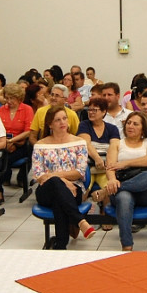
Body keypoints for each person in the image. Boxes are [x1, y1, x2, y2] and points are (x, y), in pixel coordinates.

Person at [91, 112, 147, 251]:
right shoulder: (117, 144)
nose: (130, 126)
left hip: (145, 189)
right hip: (120, 185)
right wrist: (111, 179)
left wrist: (124, 163)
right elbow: (111, 167)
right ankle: (127, 246)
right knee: (124, 197)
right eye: (129, 123)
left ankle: (107, 191)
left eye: (135, 124)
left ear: (143, 128)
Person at [32, 106, 94, 249]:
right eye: (57, 120)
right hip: (46, 189)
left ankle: (61, 244)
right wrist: (64, 181)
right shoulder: (40, 145)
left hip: (74, 189)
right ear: (50, 124)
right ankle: (80, 221)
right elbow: (38, 175)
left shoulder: (79, 142)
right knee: (55, 185)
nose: (62, 122)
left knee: (58, 198)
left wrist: (56, 177)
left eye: (64, 118)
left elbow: (80, 172)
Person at [0, 84, 34, 185]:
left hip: (20, 142)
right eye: (7, 98)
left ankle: (21, 177)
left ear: (19, 98)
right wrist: (6, 142)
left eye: (12, 98)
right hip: (4, 142)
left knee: (28, 148)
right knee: (0, 156)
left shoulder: (27, 109)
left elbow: (28, 131)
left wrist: (12, 141)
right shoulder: (1, 110)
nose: (9, 101)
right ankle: (4, 178)